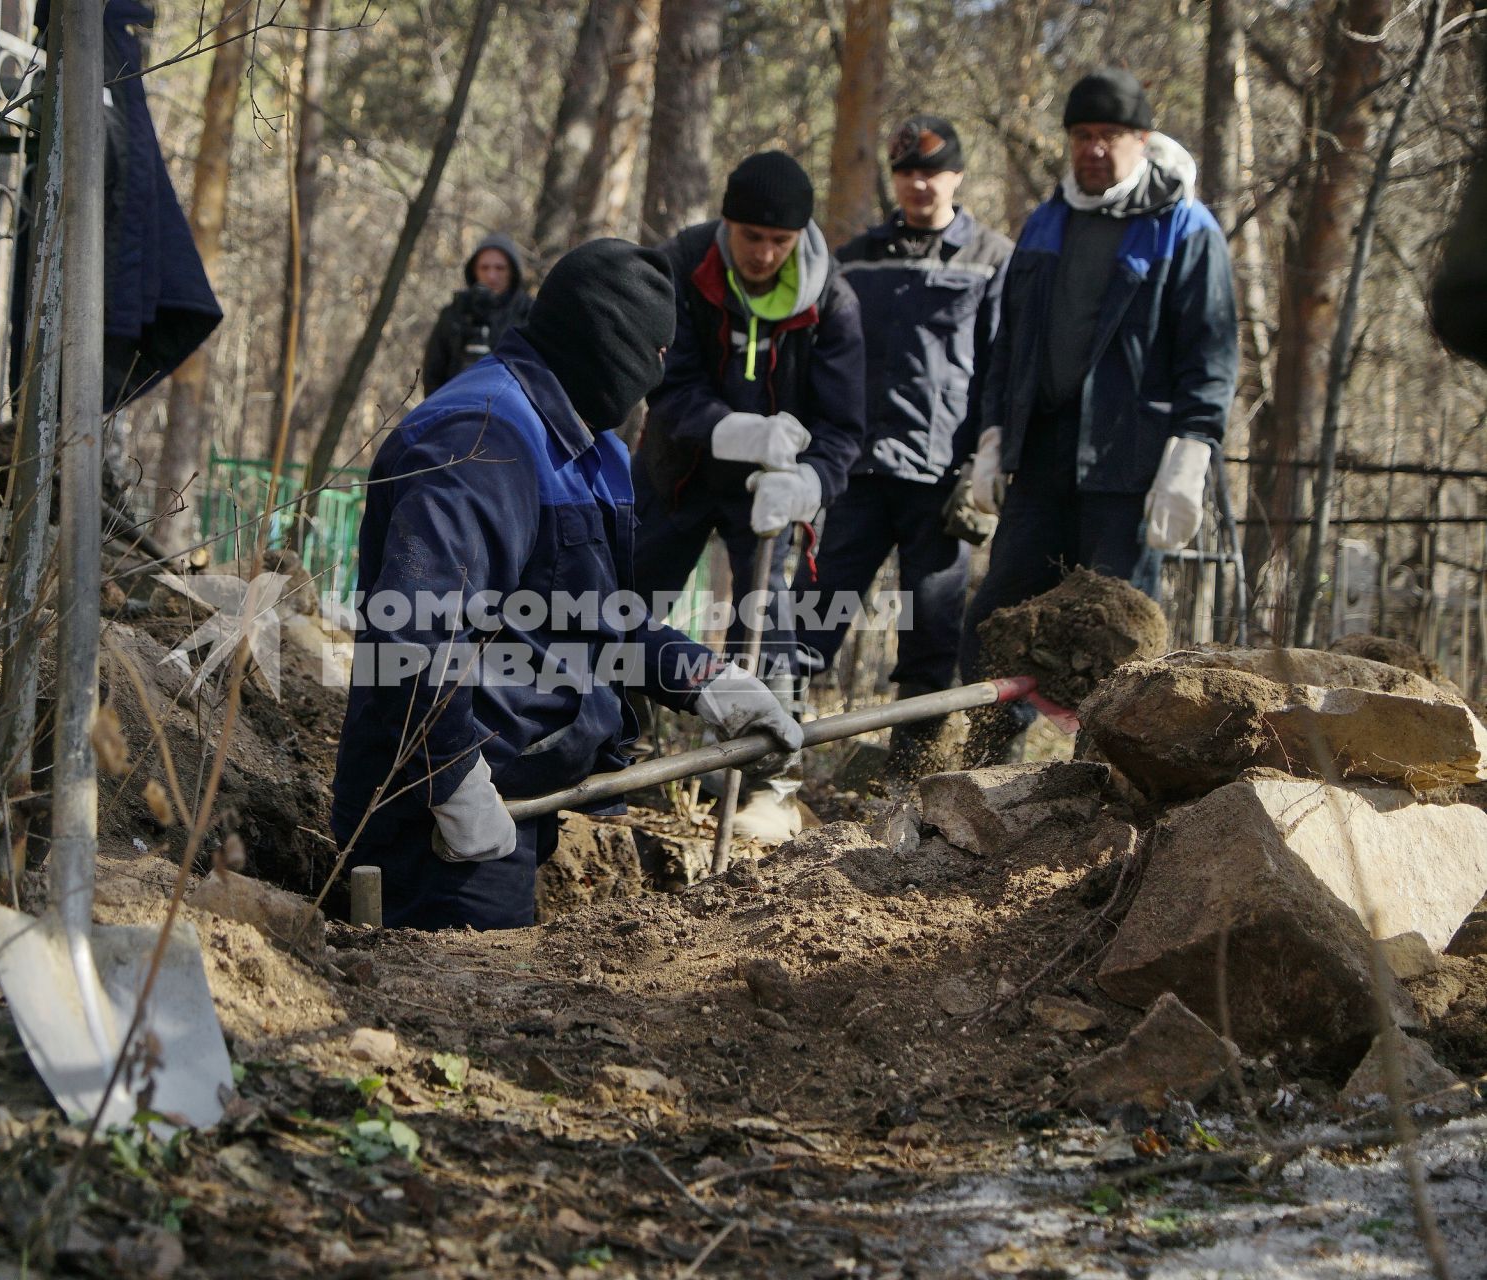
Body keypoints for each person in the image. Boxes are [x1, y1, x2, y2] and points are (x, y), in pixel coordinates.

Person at [331, 240, 801, 931]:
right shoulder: (484, 439)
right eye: (656, 351)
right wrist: (452, 777)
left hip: (527, 794)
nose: (662, 371)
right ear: (610, 342)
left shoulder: (592, 446)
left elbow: (593, 616)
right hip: (440, 819)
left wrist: (702, 678)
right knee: (457, 1020)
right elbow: (412, 634)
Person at [958, 69, 1238, 762]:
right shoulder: (1048, 219)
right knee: (998, 621)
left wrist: (1191, 451)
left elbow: (1211, 348)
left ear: (1141, 140)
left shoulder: (1184, 227)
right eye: (1082, 135)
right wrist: (993, 438)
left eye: (1110, 136)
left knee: (1117, 635)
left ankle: (1111, 776)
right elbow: (1012, 341)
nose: (1094, 149)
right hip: (1043, 458)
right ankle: (989, 763)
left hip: (1129, 464)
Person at [637, 151, 867, 840]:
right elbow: (663, 382)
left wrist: (807, 485)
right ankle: (611, 748)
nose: (764, 254)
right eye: (751, 237)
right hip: (674, 475)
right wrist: (733, 430)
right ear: (726, 225)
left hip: (769, 494)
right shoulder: (682, 265)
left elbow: (843, 428)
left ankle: (768, 785)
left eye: (779, 242)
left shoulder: (832, 301)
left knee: (768, 626)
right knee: (624, 604)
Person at [793, 114, 1013, 786]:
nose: (919, 184)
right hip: (858, 474)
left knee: (929, 637)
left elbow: (1001, 364)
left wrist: (988, 454)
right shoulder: (855, 255)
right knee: (811, 617)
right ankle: (766, 756)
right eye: (907, 172)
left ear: (958, 176)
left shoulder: (994, 258)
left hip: (941, 483)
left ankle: (912, 780)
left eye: (933, 171)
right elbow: (824, 356)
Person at [421, 233, 535, 394]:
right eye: (484, 267)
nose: (491, 276)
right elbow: (433, 373)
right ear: (474, 270)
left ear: (512, 271)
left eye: (500, 268)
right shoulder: (454, 313)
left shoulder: (529, 314)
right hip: (457, 405)